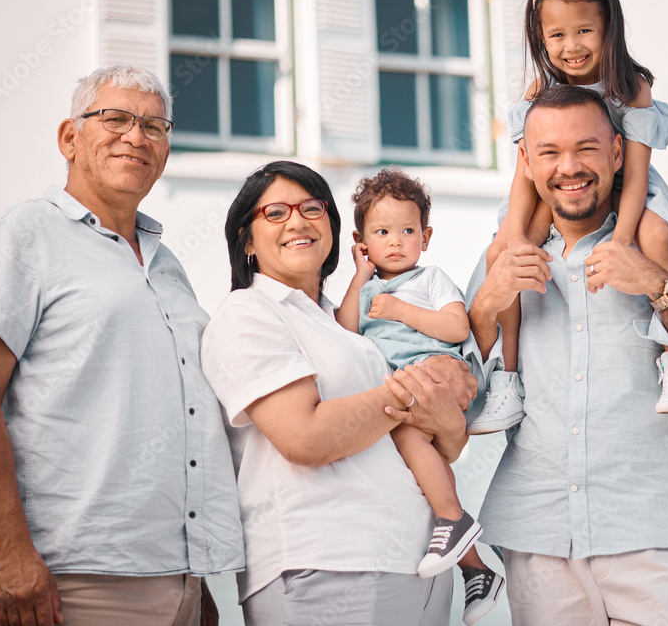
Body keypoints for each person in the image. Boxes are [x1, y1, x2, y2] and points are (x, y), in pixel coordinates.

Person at [0, 66, 244, 626]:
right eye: (116, 119)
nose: (137, 137)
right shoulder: (22, 234)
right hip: (75, 580)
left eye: (155, 127)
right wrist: (9, 555)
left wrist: (193, 580)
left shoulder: (168, 265)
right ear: (69, 138)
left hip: (180, 580)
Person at [468, 83, 668, 625]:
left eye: (587, 148)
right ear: (527, 162)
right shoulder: (502, 259)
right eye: (550, 152)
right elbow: (460, 407)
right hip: (539, 539)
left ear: (619, 153)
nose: (569, 167)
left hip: (656, 541)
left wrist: (660, 288)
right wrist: (485, 306)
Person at [199, 160, 478, 626]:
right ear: (246, 240)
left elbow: (441, 444)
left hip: (421, 567)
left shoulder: (353, 325)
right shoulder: (248, 313)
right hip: (329, 565)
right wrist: (423, 384)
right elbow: (306, 438)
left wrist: (449, 421)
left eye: (312, 207)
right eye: (275, 213)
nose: (297, 220)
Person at [470, 0, 668, 436]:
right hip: (556, 186)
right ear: (539, 38)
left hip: (621, 184)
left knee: (656, 235)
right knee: (503, 256)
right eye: (556, 35)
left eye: (584, 31)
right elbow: (525, 175)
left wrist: (620, 240)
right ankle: (507, 380)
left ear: (608, 30)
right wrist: (515, 237)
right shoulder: (541, 92)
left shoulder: (630, 87)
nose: (571, 46)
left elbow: (634, 173)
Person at [335, 169, 504, 625]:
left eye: (408, 231)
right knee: (410, 473)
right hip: (404, 391)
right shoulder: (364, 289)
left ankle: (455, 521)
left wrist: (400, 309)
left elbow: (456, 328)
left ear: (426, 237)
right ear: (361, 240)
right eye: (382, 232)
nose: (396, 242)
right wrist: (359, 276)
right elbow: (346, 331)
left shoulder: (430, 279)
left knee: (408, 445)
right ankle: (476, 570)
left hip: (439, 377)